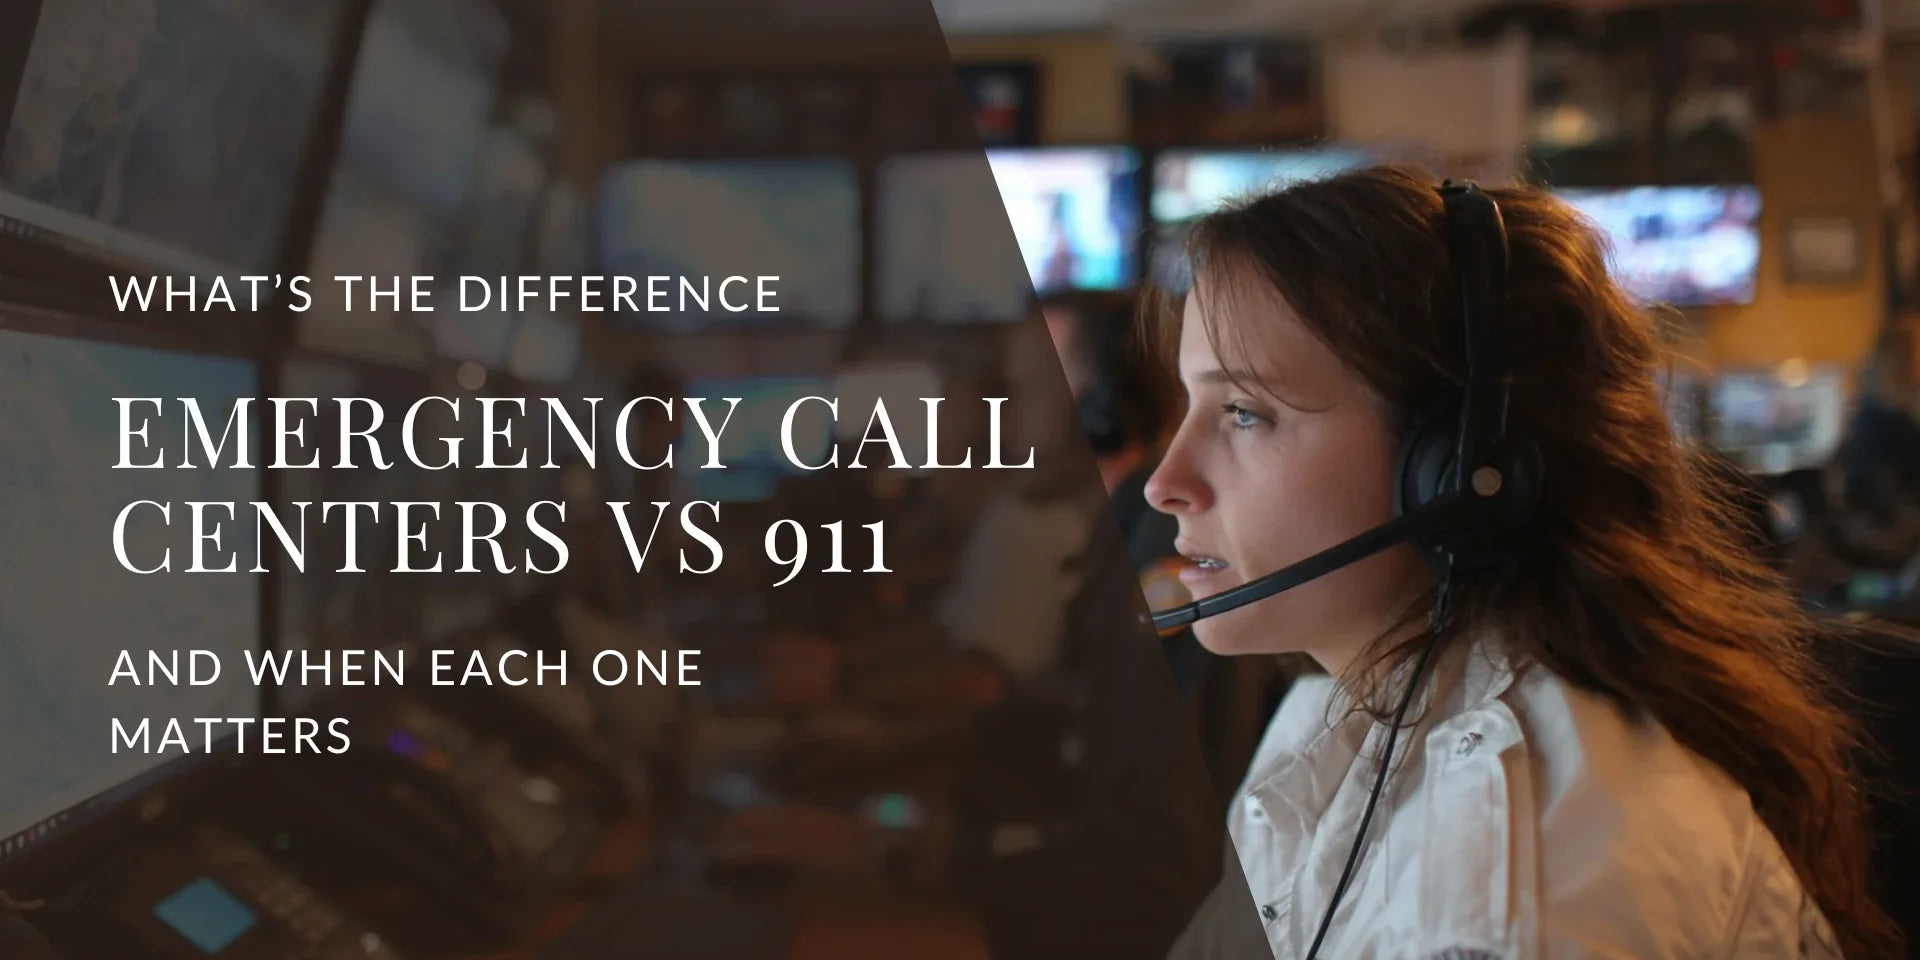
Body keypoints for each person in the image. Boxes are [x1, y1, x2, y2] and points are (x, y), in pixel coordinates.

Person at [1151, 166, 1901, 959]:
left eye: (1243, 412)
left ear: (1458, 467)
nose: (1167, 485)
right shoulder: (1329, 717)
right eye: (1190, 404)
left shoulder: (1513, 902)